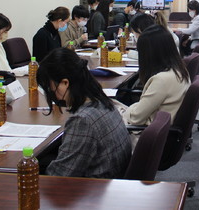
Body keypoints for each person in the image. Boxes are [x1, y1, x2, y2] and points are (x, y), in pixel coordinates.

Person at [37, 48, 131, 178]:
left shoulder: (83, 120)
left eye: (50, 88)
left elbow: (59, 176)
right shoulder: (101, 100)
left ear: (65, 83)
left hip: (92, 192)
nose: (53, 95)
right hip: (111, 182)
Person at [123, 25, 190, 125]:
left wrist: (127, 110)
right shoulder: (180, 69)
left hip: (144, 133)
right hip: (161, 128)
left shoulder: (162, 80)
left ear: (149, 54)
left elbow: (134, 118)